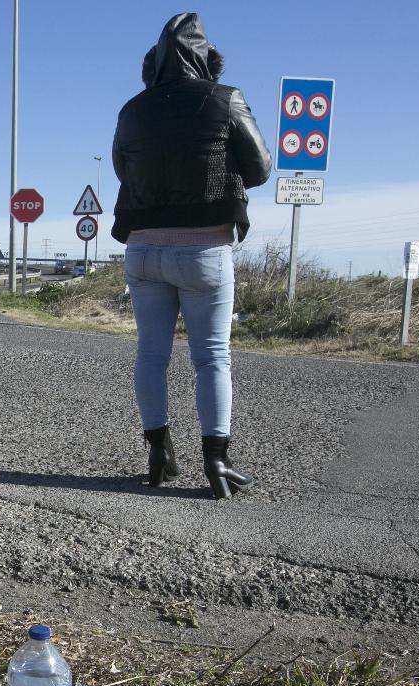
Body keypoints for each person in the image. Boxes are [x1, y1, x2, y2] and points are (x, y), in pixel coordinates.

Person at [111, 12, 272, 499]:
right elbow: (261, 168)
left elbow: (122, 169)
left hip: (142, 248)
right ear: (207, 61)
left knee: (151, 355)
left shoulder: (131, 110)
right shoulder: (225, 100)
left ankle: (158, 453)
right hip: (204, 247)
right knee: (211, 357)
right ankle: (216, 461)